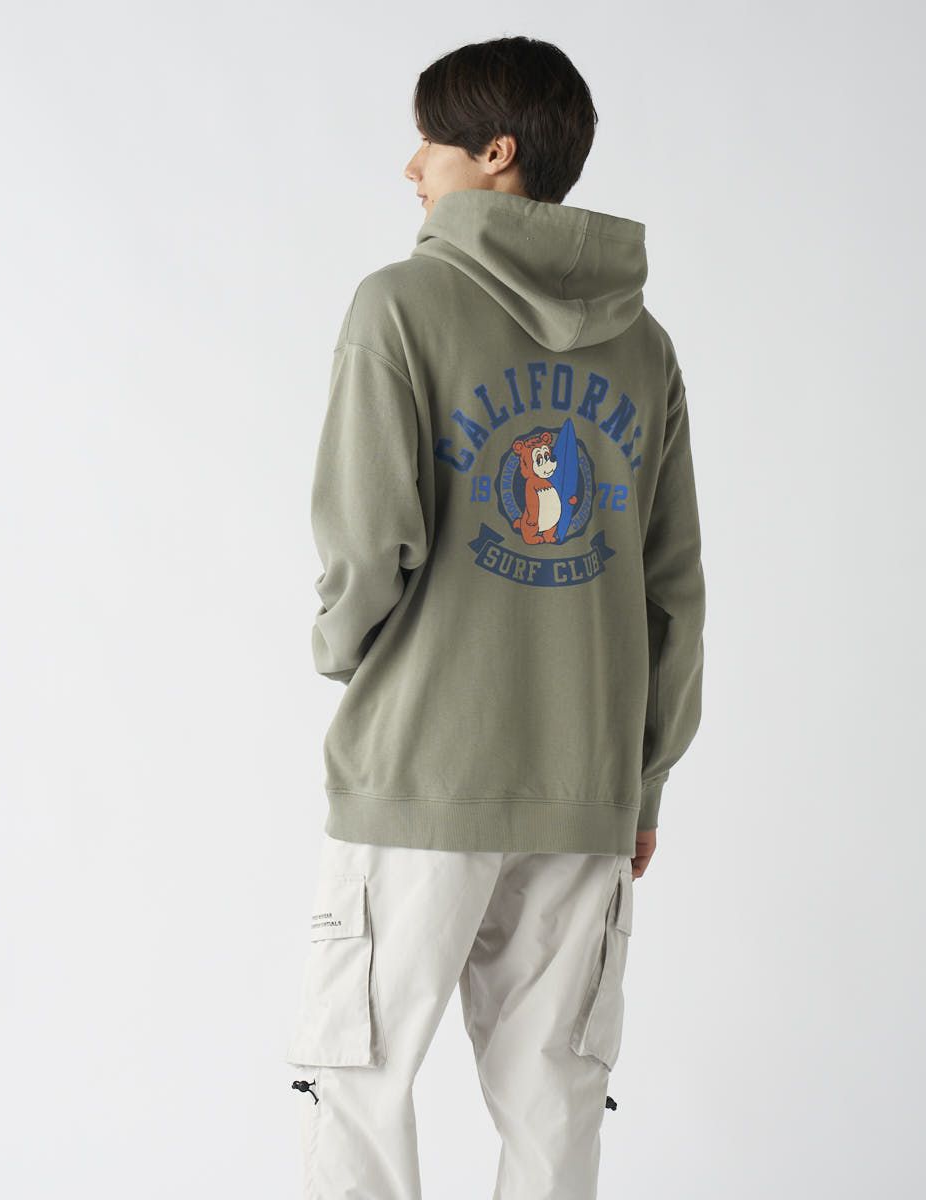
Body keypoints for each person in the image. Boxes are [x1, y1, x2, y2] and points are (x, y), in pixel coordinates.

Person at [284, 34, 706, 1200]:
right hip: (583, 785)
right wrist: (642, 781)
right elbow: (672, 587)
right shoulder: (644, 345)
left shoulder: (399, 304)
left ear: (495, 154)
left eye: (429, 141)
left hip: (420, 767)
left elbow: (366, 545)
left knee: (357, 1081)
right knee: (554, 1100)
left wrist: (347, 658)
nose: (411, 167)